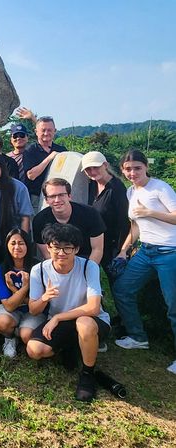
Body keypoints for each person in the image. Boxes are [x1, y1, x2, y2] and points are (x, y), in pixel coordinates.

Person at [26, 223, 111, 402]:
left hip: (91, 320)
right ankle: (71, 347)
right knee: (34, 350)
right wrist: (44, 298)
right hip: (62, 323)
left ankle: (87, 374)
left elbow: (93, 307)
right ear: (48, 247)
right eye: (56, 247)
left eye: (68, 248)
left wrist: (57, 317)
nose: (61, 253)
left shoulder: (89, 267)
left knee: (84, 323)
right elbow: (33, 310)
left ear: (77, 249)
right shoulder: (39, 270)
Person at [112, 150, 176, 375]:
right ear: (122, 170)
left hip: (169, 252)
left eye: (137, 168)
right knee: (122, 289)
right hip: (146, 251)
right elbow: (136, 226)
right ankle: (138, 337)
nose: (132, 172)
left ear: (145, 167)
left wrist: (150, 212)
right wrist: (123, 250)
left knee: (173, 305)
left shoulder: (160, 188)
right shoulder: (131, 192)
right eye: (128, 169)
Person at [0, 228, 45, 358]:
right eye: (13, 243)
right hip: (12, 310)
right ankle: (10, 338)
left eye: (21, 243)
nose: (17, 247)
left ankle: (19, 331)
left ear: (28, 245)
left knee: (26, 335)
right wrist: (24, 288)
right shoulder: (1, 269)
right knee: (2, 323)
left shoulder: (39, 268)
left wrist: (14, 291)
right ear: (7, 246)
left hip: (33, 311)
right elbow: (9, 306)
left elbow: (36, 305)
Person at [33, 178, 105, 264]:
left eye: (61, 195)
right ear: (46, 200)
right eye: (52, 196)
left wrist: (87, 271)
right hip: (57, 260)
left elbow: (97, 249)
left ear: (69, 196)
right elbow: (47, 254)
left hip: (86, 258)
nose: (57, 200)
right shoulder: (39, 220)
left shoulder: (90, 214)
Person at [81, 151, 129, 279]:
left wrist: (120, 250)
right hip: (94, 242)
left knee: (116, 282)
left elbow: (124, 222)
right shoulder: (91, 185)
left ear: (105, 165)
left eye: (95, 167)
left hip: (111, 245)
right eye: (88, 169)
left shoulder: (116, 188)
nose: (92, 172)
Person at [23, 116, 67, 211]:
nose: (46, 133)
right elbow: (31, 175)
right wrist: (50, 157)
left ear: (54, 131)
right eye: (43, 130)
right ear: (36, 132)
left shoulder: (62, 150)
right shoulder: (30, 150)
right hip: (37, 198)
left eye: (49, 130)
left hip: (58, 197)